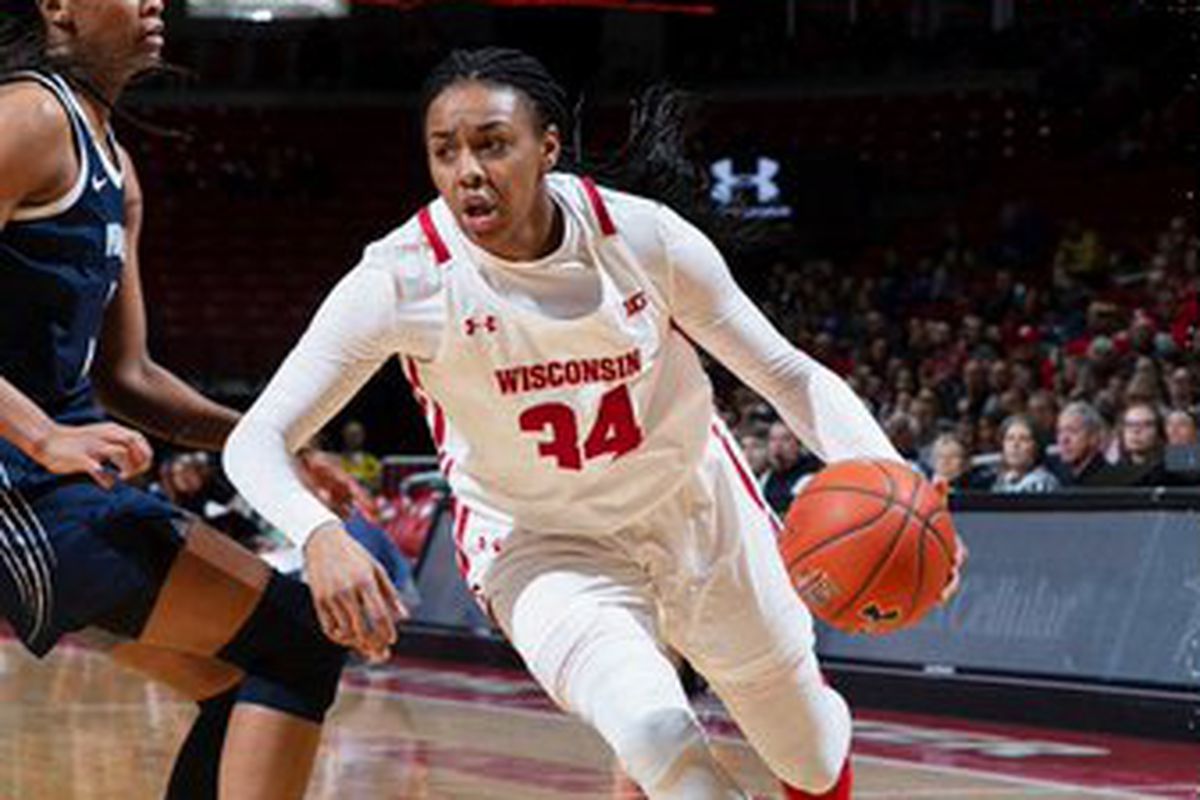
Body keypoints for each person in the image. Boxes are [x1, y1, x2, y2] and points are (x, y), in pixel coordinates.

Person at [225, 48, 964, 800]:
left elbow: (788, 375)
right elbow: (255, 440)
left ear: (546, 147)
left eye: (492, 143)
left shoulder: (642, 237)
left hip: (695, 506)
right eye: (444, 151)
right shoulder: (402, 279)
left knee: (806, 750)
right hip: (542, 545)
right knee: (654, 736)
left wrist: (897, 481)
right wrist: (319, 535)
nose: (467, 171)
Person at [0, 3, 390, 798]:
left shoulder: (112, 159)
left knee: (235, 674)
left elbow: (131, 378)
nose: (152, 1)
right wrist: (42, 436)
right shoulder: (30, 116)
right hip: (19, 487)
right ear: (57, 6)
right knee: (300, 640)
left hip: (57, 486)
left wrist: (271, 450)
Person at [1047, 401, 1117, 487]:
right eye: (1060, 431)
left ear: (1093, 437)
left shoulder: (1112, 481)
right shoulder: (1053, 476)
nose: (1063, 439)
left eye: (1072, 431)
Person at [991, 415, 1060, 493]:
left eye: (1023, 439)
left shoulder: (1043, 483)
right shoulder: (1000, 482)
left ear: (1037, 446)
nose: (1015, 445)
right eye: (1010, 438)